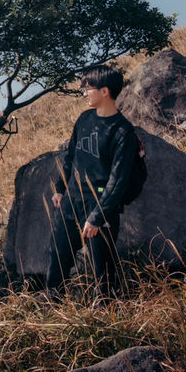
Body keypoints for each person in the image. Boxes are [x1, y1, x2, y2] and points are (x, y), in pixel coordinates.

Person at [45, 65, 138, 303]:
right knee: (58, 256)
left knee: (102, 269)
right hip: (71, 201)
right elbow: (70, 156)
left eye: (87, 88)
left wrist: (97, 217)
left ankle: (104, 313)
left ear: (105, 91)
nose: (84, 93)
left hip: (99, 206)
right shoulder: (85, 119)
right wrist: (60, 188)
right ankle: (53, 305)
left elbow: (118, 181)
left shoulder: (123, 132)